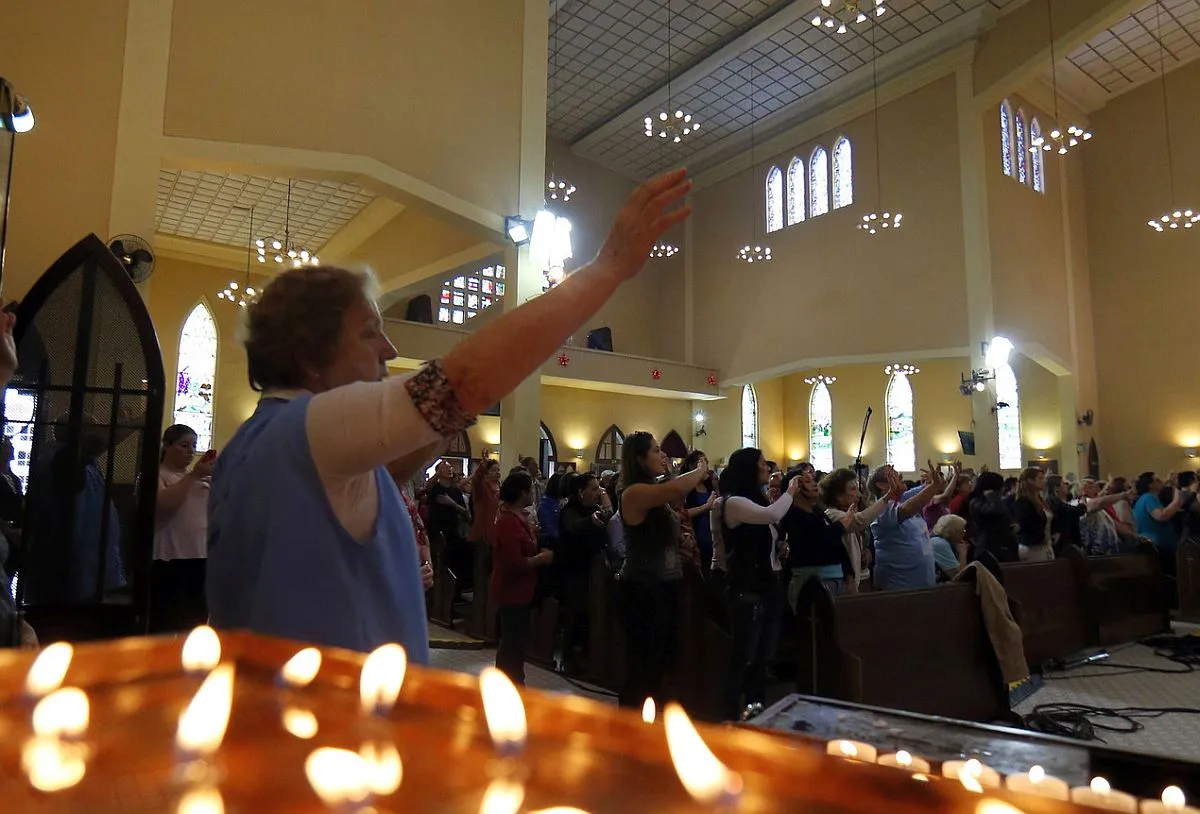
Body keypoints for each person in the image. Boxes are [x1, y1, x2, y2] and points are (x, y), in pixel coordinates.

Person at [205, 168, 693, 660]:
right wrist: (608, 266)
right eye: (369, 332)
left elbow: (401, 457)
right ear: (309, 356)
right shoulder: (310, 432)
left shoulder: (259, 444)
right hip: (325, 720)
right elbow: (459, 383)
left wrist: (454, 421)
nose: (389, 347)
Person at [616, 431, 709, 708]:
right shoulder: (632, 492)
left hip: (666, 585)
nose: (663, 455)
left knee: (663, 663)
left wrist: (680, 541)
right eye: (656, 451)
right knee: (644, 665)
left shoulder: (652, 491)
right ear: (639, 458)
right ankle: (631, 732)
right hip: (643, 589)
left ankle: (652, 728)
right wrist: (701, 468)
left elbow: (663, 526)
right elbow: (676, 489)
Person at [717, 448, 797, 721]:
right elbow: (773, 516)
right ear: (749, 469)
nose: (767, 467)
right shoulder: (733, 502)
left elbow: (768, 532)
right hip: (747, 589)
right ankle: (727, 718)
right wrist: (791, 490)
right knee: (743, 659)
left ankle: (756, 715)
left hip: (769, 584)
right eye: (762, 463)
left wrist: (779, 548)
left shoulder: (758, 499)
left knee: (763, 661)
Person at [491, 471, 553, 684]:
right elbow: (513, 562)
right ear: (522, 493)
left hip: (521, 590)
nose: (534, 492)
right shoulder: (508, 521)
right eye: (530, 489)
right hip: (511, 590)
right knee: (512, 642)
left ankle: (513, 680)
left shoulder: (518, 517)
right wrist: (541, 558)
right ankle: (509, 683)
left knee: (516, 641)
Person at [152, 424, 214, 632]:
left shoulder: (198, 477)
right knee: (168, 622)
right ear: (167, 446)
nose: (191, 450)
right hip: (170, 558)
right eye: (184, 445)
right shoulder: (158, 475)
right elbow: (163, 505)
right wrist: (193, 476)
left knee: (194, 622)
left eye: (193, 445)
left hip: (199, 555)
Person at [556, 472, 611, 673]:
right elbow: (573, 526)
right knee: (575, 613)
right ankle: (569, 658)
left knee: (590, 615)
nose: (598, 492)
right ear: (581, 492)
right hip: (574, 571)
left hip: (594, 571)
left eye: (599, 488)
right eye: (594, 489)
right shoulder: (569, 510)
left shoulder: (595, 509)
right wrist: (591, 521)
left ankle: (588, 657)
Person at [868, 462, 945, 590]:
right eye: (893, 474)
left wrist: (935, 481)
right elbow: (906, 509)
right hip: (899, 585)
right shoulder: (881, 508)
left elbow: (930, 489)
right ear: (881, 485)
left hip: (922, 582)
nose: (900, 475)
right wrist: (934, 486)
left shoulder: (902, 497)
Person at [819, 468, 895, 589]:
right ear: (838, 495)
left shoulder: (848, 512)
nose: (858, 494)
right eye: (853, 489)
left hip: (863, 576)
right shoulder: (833, 514)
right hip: (846, 581)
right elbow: (859, 520)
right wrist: (887, 497)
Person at [426, 460, 472, 594]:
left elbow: (466, 513)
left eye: (450, 467)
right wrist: (436, 473)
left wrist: (452, 504)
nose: (449, 469)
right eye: (445, 468)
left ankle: (461, 590)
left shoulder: (456, 491)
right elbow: (427, 487)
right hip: (438, 533)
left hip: (453, 532)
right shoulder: (434, 489)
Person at [1133, 471, 1185, 577]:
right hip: (1159, 545)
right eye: (1157, 480)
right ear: (1150, 484)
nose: (1161, 482)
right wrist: (1176, 499)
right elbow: (1161, 516)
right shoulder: (1148, 497)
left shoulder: (1147, 498)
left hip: (1158, 543)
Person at [969, 472, 1018, 562]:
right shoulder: (977, 502)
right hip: (989, 550)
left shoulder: (994, 501)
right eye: (1001, 486)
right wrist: (993, 496)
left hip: (1003, 548)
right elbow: (995, 512)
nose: (1003, 489)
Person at [682, 450, 717, 575]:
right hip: (696, 533)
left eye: (706, 462)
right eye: (701, 462)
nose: (706, 466)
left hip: (710, 534)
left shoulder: (709, 486)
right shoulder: (687, 488)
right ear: (692, 466)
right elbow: (682, 513)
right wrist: (705, 507)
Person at [1012, 467, 1053, 561]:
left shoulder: (1040, 499)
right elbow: (1027, 525)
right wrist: (1041, 537)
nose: (1044, 481)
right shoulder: (1023, 501)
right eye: (1041, 478)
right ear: (1030, 481)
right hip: (1032, 548)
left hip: (1045, 545)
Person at [468, 458, 501, 550]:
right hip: (483, 532)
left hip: (497, 532)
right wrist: (481, 468)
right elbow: (476, 481)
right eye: (494, 470)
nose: (497, 472)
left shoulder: (501, 489)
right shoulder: (483, 488)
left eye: (498, 470)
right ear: (486, 474)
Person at [930, 514, 968, 580]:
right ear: (955, 531)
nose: (964, 534)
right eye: (963, 530)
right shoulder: (940, 544)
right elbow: (959, 576)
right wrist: (962, 553)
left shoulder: (938, 541)